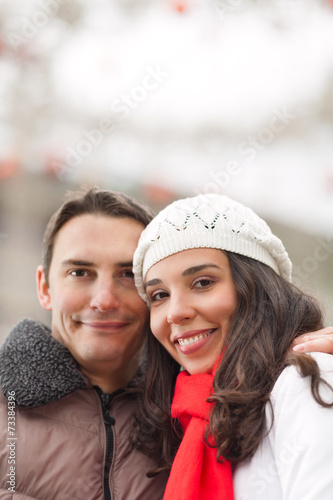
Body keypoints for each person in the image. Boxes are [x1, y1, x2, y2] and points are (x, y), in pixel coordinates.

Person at [132, 193, 333, 500]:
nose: (174, 312)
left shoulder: (306, 382)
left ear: (255, 287)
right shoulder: (181, 420)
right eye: (159, 295)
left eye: (202, 283)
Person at [0, 188, 168, 500]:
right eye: (80, 272)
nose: (104, 300)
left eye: (129, 274)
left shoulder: (193, 420)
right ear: (44, 287)